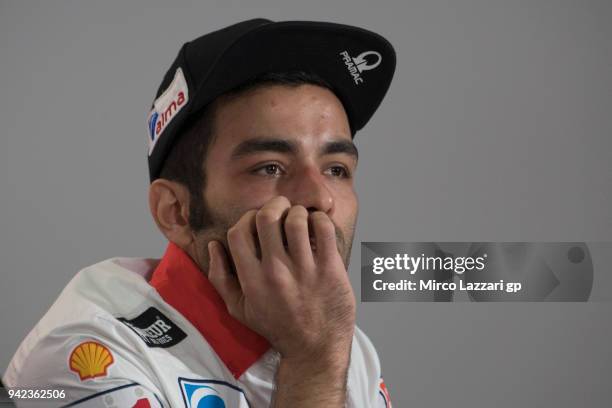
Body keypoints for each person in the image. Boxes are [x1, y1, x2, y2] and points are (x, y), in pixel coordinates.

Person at [3, 18, 396, 407]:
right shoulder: (85, 358)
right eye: (270, 167)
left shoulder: (342, 344)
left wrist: (318, 353)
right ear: (175, 212)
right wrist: (312, 366)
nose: (320, 197)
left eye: (336, 170)